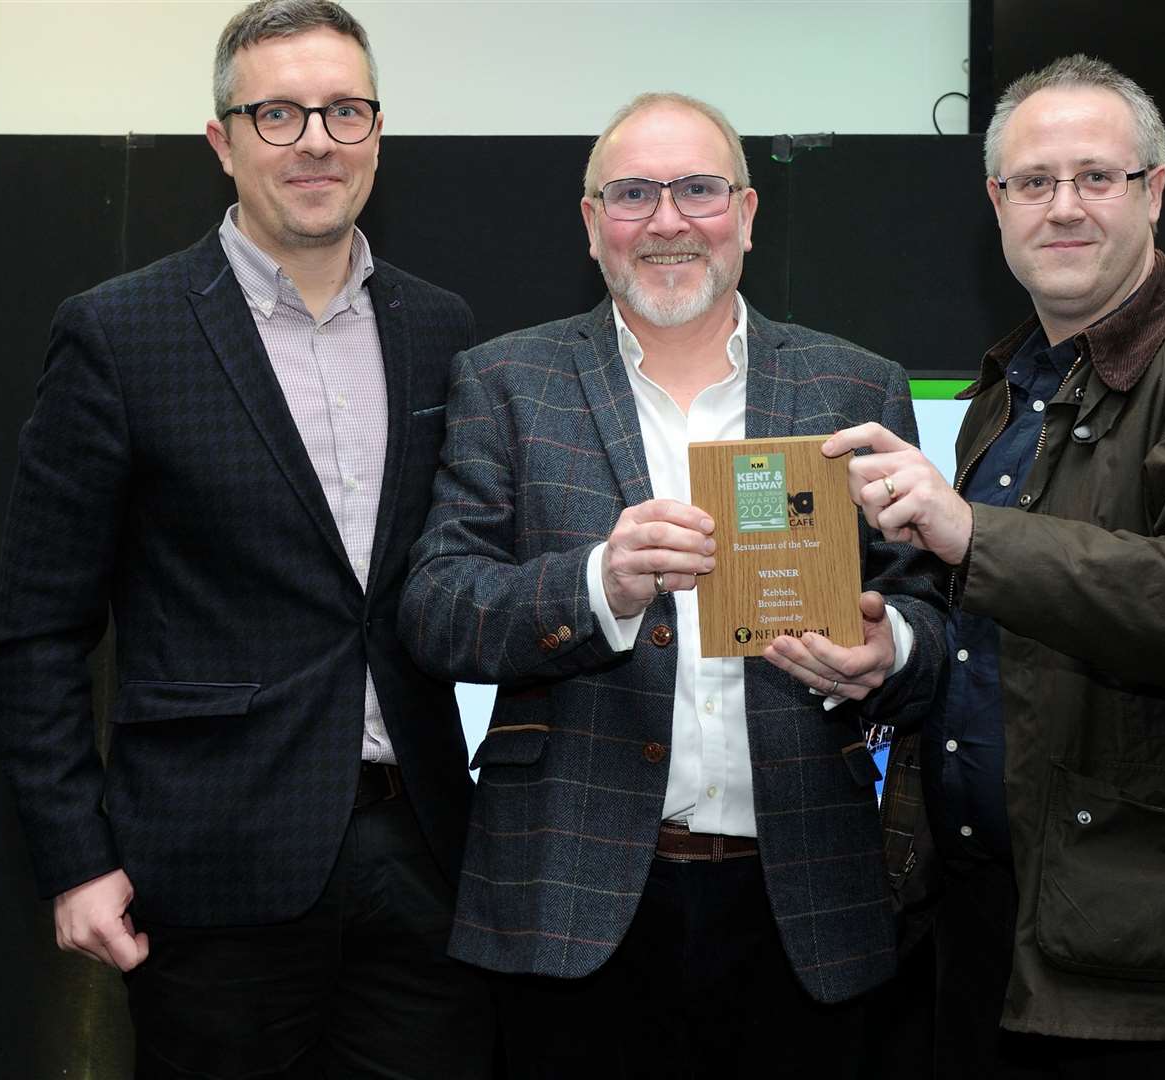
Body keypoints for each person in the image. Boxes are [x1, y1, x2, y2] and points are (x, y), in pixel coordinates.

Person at [830, 54, 1165, 1077]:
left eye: (1096, 177)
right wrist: (895, 652)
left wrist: (972, 535)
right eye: (1032, 181)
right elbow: (1009, 641)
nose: (1062, 207)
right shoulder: (1014, 387)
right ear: (995, 201)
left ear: (1154, 191)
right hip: (1003, 932)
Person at [0, 2, 490, 1075]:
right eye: (279, 114)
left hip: (423, 852)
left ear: (378, 133)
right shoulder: (120, 332)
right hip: (212, 873)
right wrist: (76, 862)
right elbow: (36, 632)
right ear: (222, 142)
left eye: (344, 111)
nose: (317, 140)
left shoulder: (441, 327)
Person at [397, 92, 945, 1079]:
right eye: (633, 194)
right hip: (570, 903)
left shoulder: (853, 386)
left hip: (803, 902)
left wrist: (886, 649)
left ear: (743, 212)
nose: (666, 220)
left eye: (697, 189)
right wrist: (596, 584)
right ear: (590, 223)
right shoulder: (505, 382)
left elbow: (930, 614)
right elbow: (436, 608)